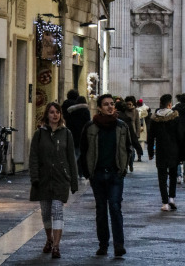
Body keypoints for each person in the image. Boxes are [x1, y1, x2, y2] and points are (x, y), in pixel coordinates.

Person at [80, 93, 131, 257]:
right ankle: (103, 245)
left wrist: (123, 168)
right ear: (100, 108)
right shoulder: (90, 127)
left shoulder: (122, 126)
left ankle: (118, 245)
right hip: (98, 174)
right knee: (101, 210)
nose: (110, 107)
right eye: (106, 104)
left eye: (112, 104)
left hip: (115, 174)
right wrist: (88, 172)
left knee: (115, 208)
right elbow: (84, 149)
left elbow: (127, 147)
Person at [29, 102, 78, 259]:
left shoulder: (67, 134)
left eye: (57, 112)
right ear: (47, 115)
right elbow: (33, 157)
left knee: (57, 210)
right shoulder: (39, 134)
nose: (55, 115)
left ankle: (56, 246)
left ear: (60, 115)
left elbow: (71, 158)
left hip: (60, 179)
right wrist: (35, 177)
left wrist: (74, 181)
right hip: (43, 179)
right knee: (45, 212)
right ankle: (49, 239)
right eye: (51, 112)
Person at [147, 93, 183, 211]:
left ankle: (164, 203)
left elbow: (150, 137)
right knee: (173, 175)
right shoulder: (175, 117)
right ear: (169, 104)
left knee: (162, 177)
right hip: (174, 150)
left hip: (161, 150)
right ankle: (172, 197)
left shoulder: (155, 118)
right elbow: (180, 136)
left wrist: (150, 152)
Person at [66, 94, 91, 178]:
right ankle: (79, 172)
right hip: (82, 135)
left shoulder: (71, 111)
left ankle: (74, 172)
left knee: (75, 154)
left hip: (73, 135)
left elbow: (68, 123)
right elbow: (88, 123)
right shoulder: (86, 111)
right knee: (81, 155)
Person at [115, 100, 142, 171]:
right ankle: (128, 165)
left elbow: (137, 123)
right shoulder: (125, 116)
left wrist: (137, 133)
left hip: (125, 136)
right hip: (128, 135)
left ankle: (127, 165)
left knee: (128, 151)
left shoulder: (134, 112)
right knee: (130, 150)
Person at [124, 96, 142, 161]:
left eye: (130, 104)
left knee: (136, 144)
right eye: (127, 104)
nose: (128, 106)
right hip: (126, 131)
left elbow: (138, 123)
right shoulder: (124, 111)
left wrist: (137, 133)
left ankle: (139, 155)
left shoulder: (136, 111)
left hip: (133, 131)